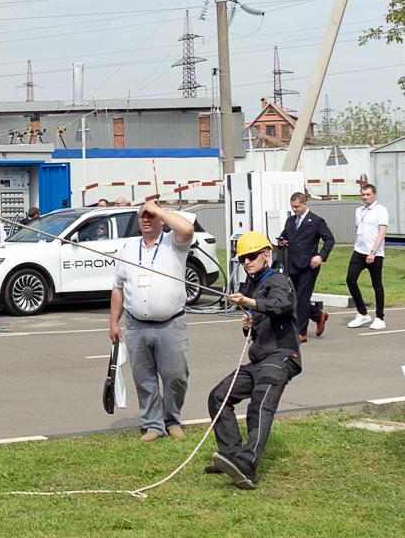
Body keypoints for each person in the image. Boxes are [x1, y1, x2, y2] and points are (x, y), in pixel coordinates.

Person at [207, 230, 301, 488]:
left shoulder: (279, 279)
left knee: (259, 406)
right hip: (259, 358)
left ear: (266, 254)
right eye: (242, 259)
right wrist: (248, 323)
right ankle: (231, 456)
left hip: (281, 355)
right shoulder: (252, 283)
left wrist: (250, 302)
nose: (247, 262)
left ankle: (247, 465)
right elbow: (257, 324)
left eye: (251, 256)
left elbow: (281, 305)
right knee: (218, 397)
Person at [109, 196, 194, 441]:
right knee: (144, 379)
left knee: (176, 376)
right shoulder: (128, 248)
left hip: (171, 323)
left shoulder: (173, 243)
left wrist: (157, 208)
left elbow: (187, 228)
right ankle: (153, 425)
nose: (146, 219)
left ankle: (172, 420)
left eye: (151, 215)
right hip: (137, 325)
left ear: (161, 219)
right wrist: (114, 322)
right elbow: (118, 287)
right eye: (142, 215)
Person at [276, 190, 334, 341]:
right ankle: (318, 314)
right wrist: (282, 241)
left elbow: (329, 240)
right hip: (293, 264)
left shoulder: (316, 221)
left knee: (302, 298)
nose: (294, 209)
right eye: (292, 207)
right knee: (294, 298)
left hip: (309, 265)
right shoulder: (290, 221)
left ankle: (301, 333)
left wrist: (320, 256)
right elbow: (285, 236)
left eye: (297, 206)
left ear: (304, 204)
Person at [346, 182, 389, 330]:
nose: (365, 197)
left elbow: (382, 233)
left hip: (374, 254)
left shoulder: (381, 210)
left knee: (376, 285)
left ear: (374, 195)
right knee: (350, 280)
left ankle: (380, 317)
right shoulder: (359, 211)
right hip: (359, 251)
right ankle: (363, 313)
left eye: (368, 194)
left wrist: (373, 252)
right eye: (363, 195)